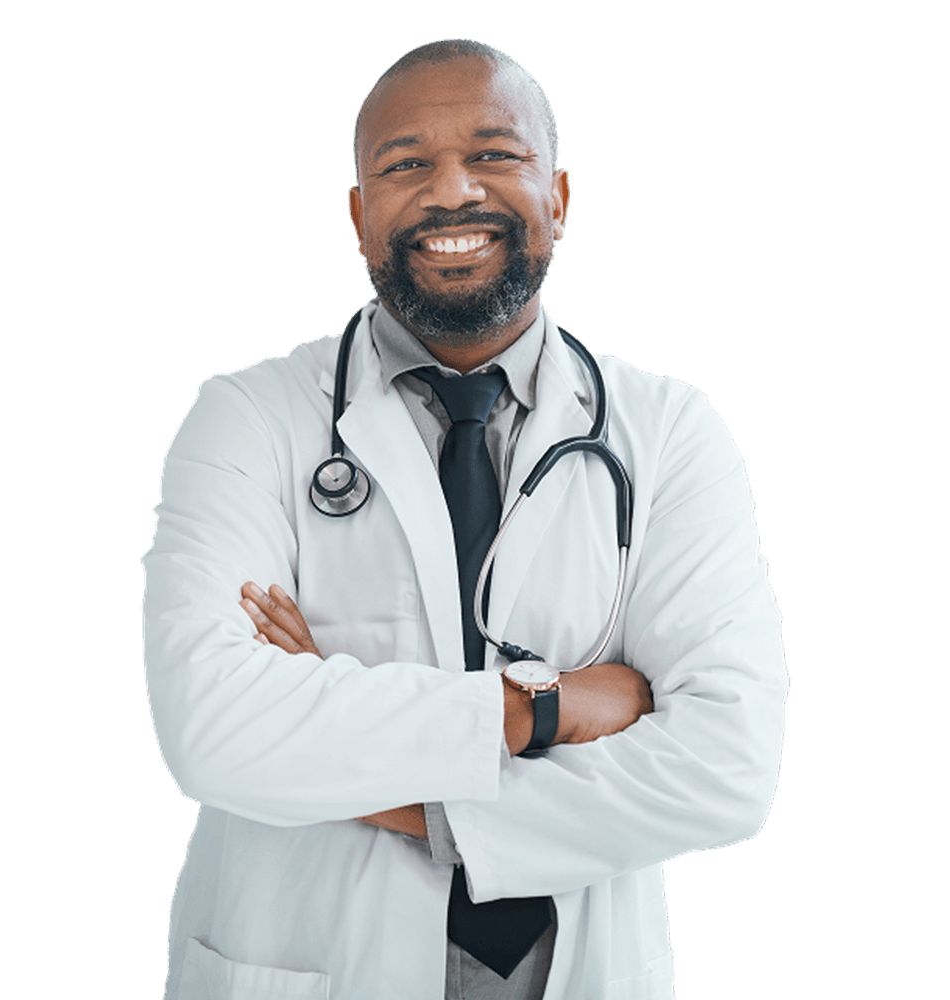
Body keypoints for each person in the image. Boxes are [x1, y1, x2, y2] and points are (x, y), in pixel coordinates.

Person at [143, 38, 788, 1000]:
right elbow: (213, 727)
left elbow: (727, 766)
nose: (452, 193)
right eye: (406, 164)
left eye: (494, 154)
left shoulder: (670, 430)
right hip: (305, 962)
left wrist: (365, 750)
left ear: (559, 199)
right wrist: (550, 709)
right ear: (361, 218)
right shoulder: (247, 415)